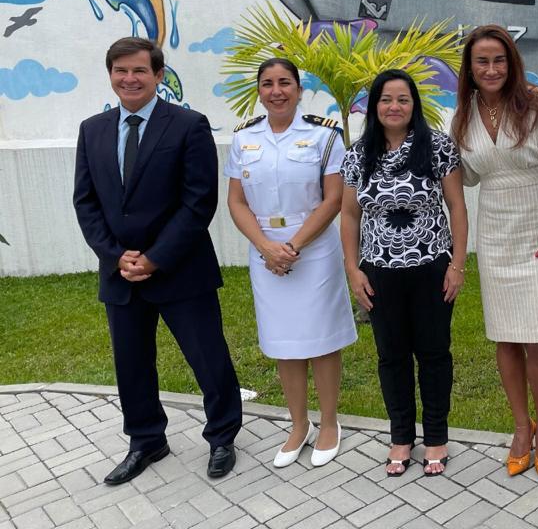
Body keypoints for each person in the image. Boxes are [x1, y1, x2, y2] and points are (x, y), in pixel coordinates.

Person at [73, 37, 242, 485]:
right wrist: (115, 256)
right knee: (131, 365)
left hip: (181, 268)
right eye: (121, 70)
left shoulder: (188, 125)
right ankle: (146, 440)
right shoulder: (91, 130)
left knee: (208, 358)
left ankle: (222, 436)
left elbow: (198, 201)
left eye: (139, 71)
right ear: (110, 75)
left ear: (158, 75)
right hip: (121, 274)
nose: (129, 78)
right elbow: (86, 202)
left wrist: (154, 258)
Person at [451, 25, 538, 480]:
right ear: (470, 68)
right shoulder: (462, 117)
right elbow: (463, 177)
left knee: (537, 335)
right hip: (495, 233)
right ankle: (522, 427)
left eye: (499, 60)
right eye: (481, 61)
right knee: (505, 336)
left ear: (512, 63)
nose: (491, 69)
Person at [225, 58, 358, 468]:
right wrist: (266, 246)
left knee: (322, 338)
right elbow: (236, 201)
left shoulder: (324, 135)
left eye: (285, 83)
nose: (276, 91)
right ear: (259, 91)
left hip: (313, 250)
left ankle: (330, 423)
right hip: (265, 251)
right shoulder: (244, 138)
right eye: (268, 83)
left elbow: (333, 199)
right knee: (284, 342)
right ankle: (299, 425)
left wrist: (293, 246)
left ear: (299, 90)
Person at [340, 68, 468, 477]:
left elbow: (457, 207)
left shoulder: (438, 147)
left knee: (433, 353)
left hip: (432, 268)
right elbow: (349, 214)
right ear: (374, 106)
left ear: (414, 105)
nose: (394, 107)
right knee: (391, 356)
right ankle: (400, 436)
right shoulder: (358, 154)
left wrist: (457, 264)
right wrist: (353, 269)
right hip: (379, 272)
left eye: (402, 99)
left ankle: (436, 436)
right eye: (386, 99)